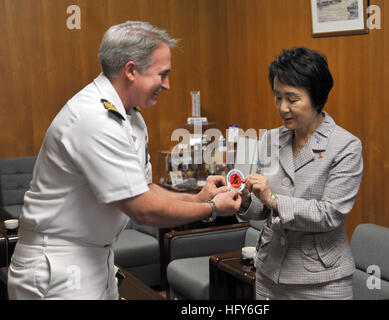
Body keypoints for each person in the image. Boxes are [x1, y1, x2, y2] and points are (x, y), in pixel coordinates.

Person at [8, 21, 241, 300]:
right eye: (162, 75)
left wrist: (200, 198)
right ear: (131, 70)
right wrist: (213, 208)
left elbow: (144, 189)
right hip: (58, 262)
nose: (167, 85)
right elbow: (143, 210)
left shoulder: (130, 117)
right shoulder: (94, 118)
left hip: (95, 256)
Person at [237, 47, 363, 300]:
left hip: (320, 281)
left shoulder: (345, 146)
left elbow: (329, 214)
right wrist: (247, 198)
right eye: (277, 97)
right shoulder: (271, 139)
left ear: (316, 97)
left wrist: (273, 199)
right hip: (269, 273)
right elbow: (262, 212)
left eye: (292, 99)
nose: (282, 108)